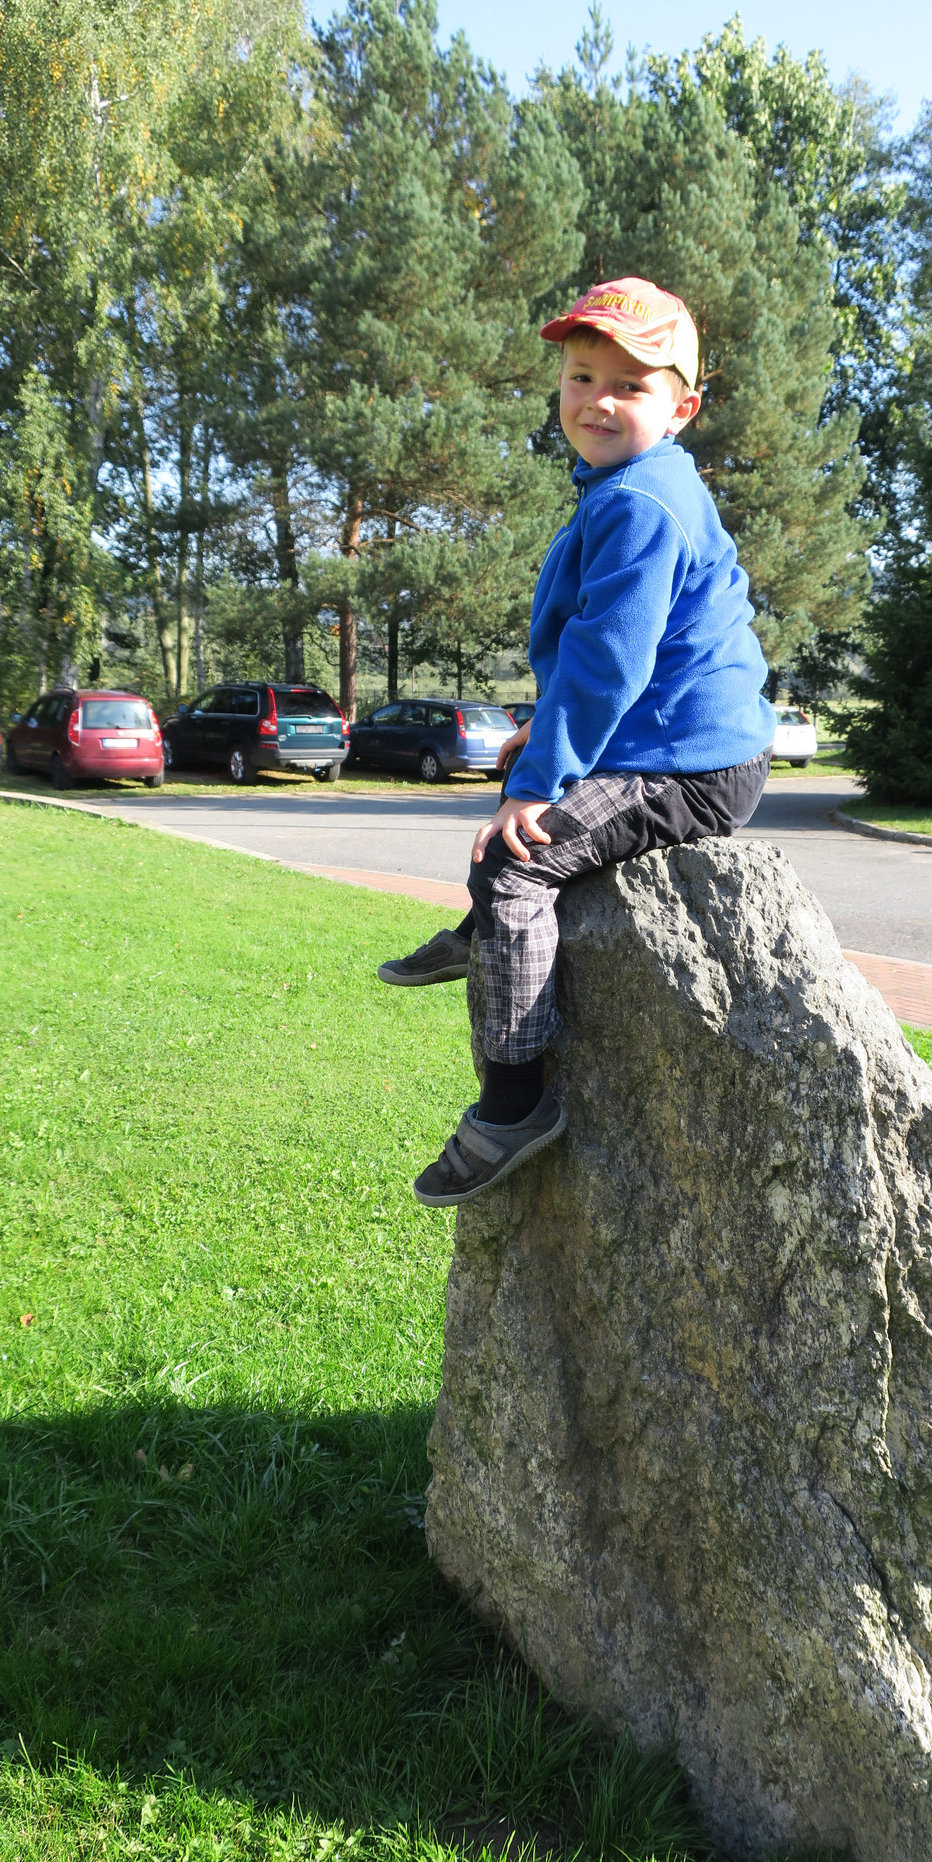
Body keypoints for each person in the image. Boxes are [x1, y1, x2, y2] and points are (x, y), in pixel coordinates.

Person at [381, 276, 776, 1207]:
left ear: (680, 408)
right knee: (524, 782)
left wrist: (543, 779)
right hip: (661, 738)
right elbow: (604, 655)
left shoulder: (641, 502)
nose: (598, 400)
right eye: (581, 376)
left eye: (630, 385)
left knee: (518, 861)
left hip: (693, 765)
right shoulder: (625, 487)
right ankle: (484, 936)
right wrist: (539, 741)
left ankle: (513, 1105)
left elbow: (609, 658)